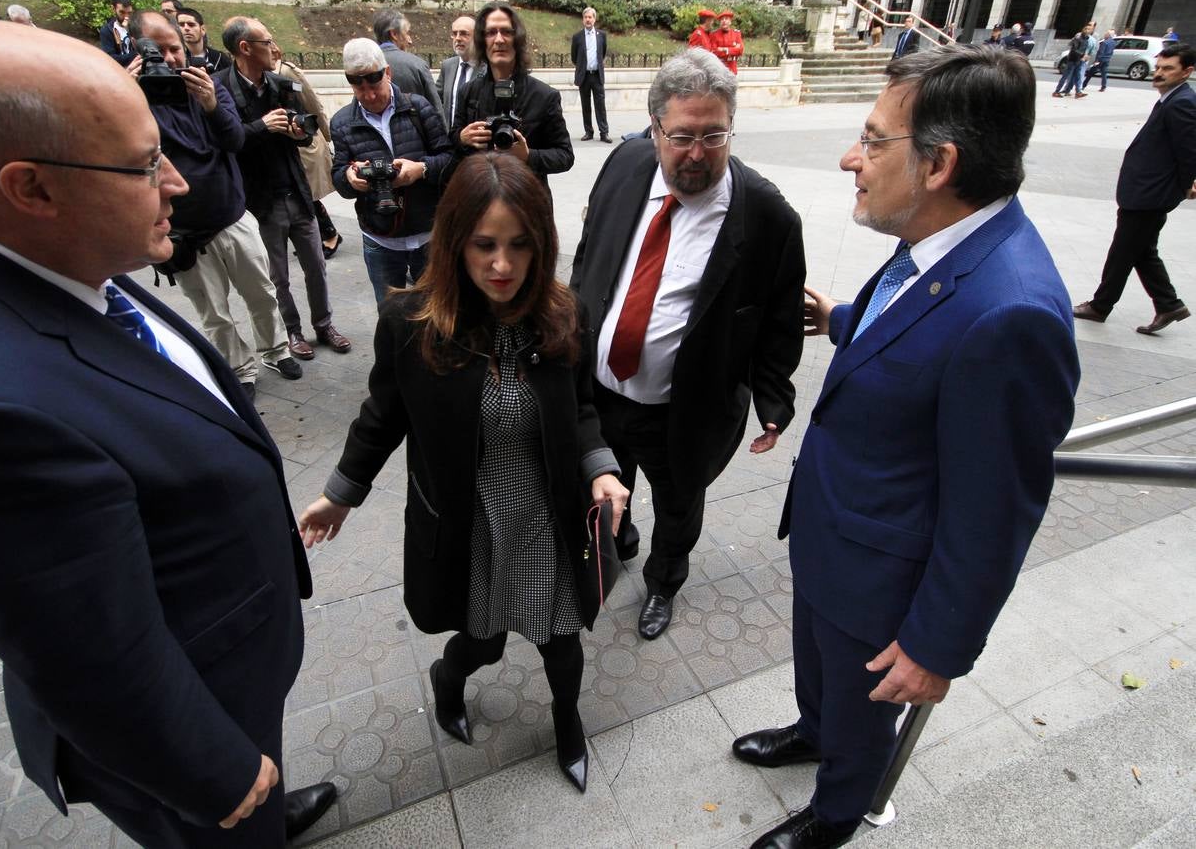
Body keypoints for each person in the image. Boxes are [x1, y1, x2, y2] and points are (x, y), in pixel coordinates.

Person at [0, 19, 336, 848]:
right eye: (144, 165)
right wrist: (212, 769)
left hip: (231, 666)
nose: (178, 182)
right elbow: (88, 653)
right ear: (30, 187)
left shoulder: (54, 256)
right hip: (188, 728)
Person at [734, 43, 1080, 849]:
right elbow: (921, 324)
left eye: (873, 139)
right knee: (819, 673)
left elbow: (995, 513)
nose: (850, 157)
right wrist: (847, 320)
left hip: (885, 581)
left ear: (938, 164)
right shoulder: (937, 235)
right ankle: (811, 731)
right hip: (835, 533)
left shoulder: (1015, 315)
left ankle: (836, 813)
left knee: (866, 712)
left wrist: (935, 647)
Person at [298, 152, 630, 795]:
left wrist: (601, 470)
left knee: (562, 640)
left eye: (519, 246)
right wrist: (340, 495)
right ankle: (449, 682)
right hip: (468, 520)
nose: (502, 266)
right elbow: (382, 415)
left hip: (545, 514)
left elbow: (583, 410)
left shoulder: (564, 313)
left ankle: (567, 723)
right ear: (455, 242)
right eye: (484, 246)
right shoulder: (412, 323)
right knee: (484, 642)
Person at [570, 50, 805, 640]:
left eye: (713, 135)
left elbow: (779, 319)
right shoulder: (623, 164)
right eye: (681, 136)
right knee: (600, 488)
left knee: (678, 510)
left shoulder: (768, 216)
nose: (697, 153)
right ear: (653, 131)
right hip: (600, 394)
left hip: (686, 411)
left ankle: (663, 582)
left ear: (731, 129)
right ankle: (615, 544)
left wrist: (775, 402)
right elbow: (591, 252)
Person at [129, 11, 301, 400]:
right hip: (186, 233)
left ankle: (275, 350)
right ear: (138, 52)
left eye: (175, 49)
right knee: (214, 313)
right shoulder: (130, 99)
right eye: (157, 51)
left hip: (232, 216)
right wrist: (125, 95)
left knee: (261, 291)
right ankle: (240, 369)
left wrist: (209, 102)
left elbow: (235, 140)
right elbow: (126, 151)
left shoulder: (206, 86)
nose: (169, 59)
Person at [218, 17, 352, 360]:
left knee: (317, 267)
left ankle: (324, 325)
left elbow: (305, 128)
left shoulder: (281, 83)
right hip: (261, 202)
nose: (274, 47)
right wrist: (262, 126)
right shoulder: (222, 89)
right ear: (245, 48)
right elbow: (227, 141)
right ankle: (293, 332)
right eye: (266, 41)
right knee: (278, 276)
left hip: (296, 191)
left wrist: (299, 132)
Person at [1073, 43, 1196, 335]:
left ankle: (1100, 306)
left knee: (1123, 251)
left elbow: (1190, 151)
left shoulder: (1182, 103)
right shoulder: (1172, 97)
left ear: (1187, 71)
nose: (1159, 73)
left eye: (1168, 69)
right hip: (1146, 190)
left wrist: (1188, 183)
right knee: (1140, 250)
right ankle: (1168, 304)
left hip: (1151, 194)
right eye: (1159, 67)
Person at [330, 38, 452, 305]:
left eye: (374, 85)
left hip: (428, 234)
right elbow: (338, 176)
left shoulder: (418, 108)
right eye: (359, 88)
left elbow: (450, 159)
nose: (369, 95)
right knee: (390, 316)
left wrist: (420, 169)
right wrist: (350, 178)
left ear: (388, 73)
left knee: (435, 313)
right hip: (379, 237)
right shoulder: (341, 123)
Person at [452, 2, 574, 191]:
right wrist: (462, 138)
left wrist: (528, 156)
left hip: (527, 202)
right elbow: (451, 141)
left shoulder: (544, 96)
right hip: (480, 198)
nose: (499, 40)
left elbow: (565, 156)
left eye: (506, 32)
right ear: (482, 41)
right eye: (491, 32)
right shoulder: (468, 92)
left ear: (517, 39)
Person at [272, 44, 342, 260]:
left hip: (305, 142)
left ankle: (329, 233)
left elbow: (312, 103)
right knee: (299, 195)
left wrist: (328, 134)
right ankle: (318, 234)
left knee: (307, 195)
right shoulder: (256, 77)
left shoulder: (286, 71)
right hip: (282, 146)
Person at [373, 9, 444, 122]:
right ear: (394, 34)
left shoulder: (367, 66)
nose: (410, 41)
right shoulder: (417, 65)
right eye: (407, 33)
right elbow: (436, 112)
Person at [570, 7, 610, 143]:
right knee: (586, 106)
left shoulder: (602, 35)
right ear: (583, 20)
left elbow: (602, 53)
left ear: (594, 19)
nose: (588, 19)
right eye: (586, 17)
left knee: (600, 105)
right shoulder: (577, 37)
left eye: (590, 17)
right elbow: (574, 57)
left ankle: (604, 133)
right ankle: (588, 132)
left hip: (597, 76)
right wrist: (583, 67)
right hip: (584, 76)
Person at [436, 14, 479, 131]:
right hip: (449, 139)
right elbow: (436, 101)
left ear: (477, 37)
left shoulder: (487, 68)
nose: (458, 38)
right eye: (454, 34)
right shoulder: (447, 66)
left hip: (477, 141)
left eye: (464, 33)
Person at [176, 7, 229, 73]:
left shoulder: (220, 58)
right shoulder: (176, 58)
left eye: (191, 25)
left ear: (203, 29)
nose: (186, 28)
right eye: (181, 25)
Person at [100, 0, 135, 66]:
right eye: (122, 12)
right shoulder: (107, 30)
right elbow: (110, 58)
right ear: (113, 9)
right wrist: (136, 55)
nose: (126, 17)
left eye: (129, 13)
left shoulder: (136, 27)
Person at [710, 9, 743, 74]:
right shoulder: (714, 35)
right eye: (722, 19)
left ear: (730, 22)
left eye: (726, 19)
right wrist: (733, 50)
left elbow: (740, 50)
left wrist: (725, 49)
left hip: (732, 69)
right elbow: (714, 51)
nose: (724, 21)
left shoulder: (736, 34)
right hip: (718, 69)